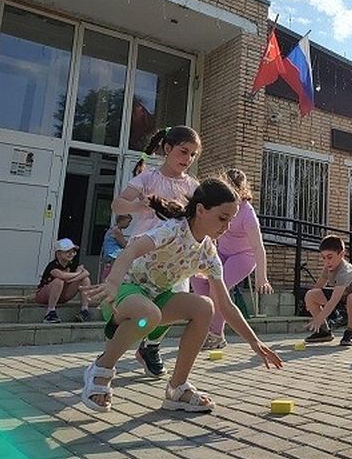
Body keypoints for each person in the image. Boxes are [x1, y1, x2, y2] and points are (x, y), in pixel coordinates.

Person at [81, 177, 283, 413]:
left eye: (231, 220)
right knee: (150, 314)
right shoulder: (173, 229)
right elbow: (132, 249)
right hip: (124, 293)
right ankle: (100, 370)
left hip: (154, 302)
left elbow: (225, 305)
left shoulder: (208, 251)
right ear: (200, 210)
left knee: (204, 306)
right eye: (222, 218)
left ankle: (177, 389)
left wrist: (254, 342)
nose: (226, 227)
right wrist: (113, 282)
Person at [112, 125, 201, 378]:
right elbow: (117, 204)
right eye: (183, 152)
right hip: (145, 252)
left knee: (175, 302)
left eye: (193, 155)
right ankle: (114, 348)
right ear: (167, 148)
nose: (188, 159)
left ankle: (151, 347)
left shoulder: (193, 186)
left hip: (175, 255)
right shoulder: (147, 178)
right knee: (142, 304)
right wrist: (136, 206)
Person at [192, 168, 273, 350]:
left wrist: (262, 277)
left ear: (242, 189)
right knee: (197, 279)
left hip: (244, 256)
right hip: (221, 252)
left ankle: (217, 335)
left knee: (218, 287)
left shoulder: (247, 213)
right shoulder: (218, 203)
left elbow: (258, 246)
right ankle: (205, 327)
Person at [303, 235, 352, 346]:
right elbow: (319, 285)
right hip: (343, 298)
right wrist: (309, 303)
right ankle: (324, 331)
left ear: (341, 254)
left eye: (330, 257)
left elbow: (334, 300)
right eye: (324, 257)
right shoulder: (328, 267)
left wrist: (319, 318)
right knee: (310, 295)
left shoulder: (345, 272)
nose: (327, 261)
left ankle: (351, 332)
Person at [35, 238, 92, 323]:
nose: (71, 254)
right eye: (67, 252)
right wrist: (78, 273)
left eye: (73, 252)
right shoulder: (53, 266)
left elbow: (86, 273)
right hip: (44, 295)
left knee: (85, 279)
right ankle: (50, 312)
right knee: (59, 280)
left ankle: (84, 310)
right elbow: (62, 275)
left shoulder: (72, 263)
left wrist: (73, 278)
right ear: (58, 254)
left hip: (62, 295)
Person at [100, 214, 132, 282]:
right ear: (121, 220)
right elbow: (123, 244)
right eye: (128, 222)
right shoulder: (117, 231)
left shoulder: (112, 229)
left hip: (108, 254)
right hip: (113, 254)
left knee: (108, 272)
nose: (129, 224)